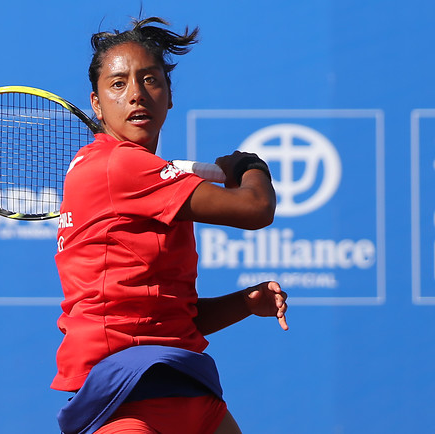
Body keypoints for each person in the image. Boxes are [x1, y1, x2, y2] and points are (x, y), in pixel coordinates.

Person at [52, 17, 288, 434]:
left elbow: (170, 319)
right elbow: (256, 208)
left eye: (150, 80)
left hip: (193, 393)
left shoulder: (134, 171)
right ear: (96, 102)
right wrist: (250, 165)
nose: (137, 94)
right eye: (118, 84)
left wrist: (244, 304)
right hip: (124, 402)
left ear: (169, 95)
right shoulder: (118, 165)